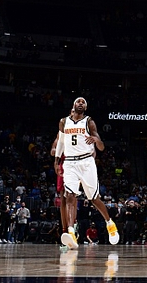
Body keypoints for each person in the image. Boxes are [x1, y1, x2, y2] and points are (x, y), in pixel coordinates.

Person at [54, 97, 119, 249]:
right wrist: (56, 161)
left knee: (94, 198)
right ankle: (71, 232)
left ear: (86, 107)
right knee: (70, 196)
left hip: (86, 162)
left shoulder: (89, 122)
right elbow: (61, 142)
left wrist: (95, 139)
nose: (81, 103)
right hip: (70, 162)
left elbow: (101, 147)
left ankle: (110, 223)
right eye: (78, 101)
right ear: (73, 105)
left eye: (83, 102)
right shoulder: (64, 122)